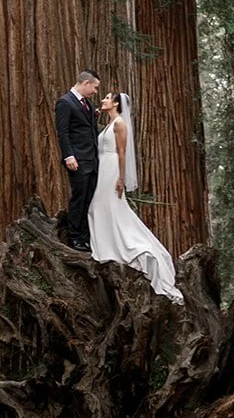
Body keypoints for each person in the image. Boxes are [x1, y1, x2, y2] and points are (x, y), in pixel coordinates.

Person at [88, 91, 183, 303]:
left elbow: (122, 152)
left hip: (111, 169)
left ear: (115, 104)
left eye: (107, 97)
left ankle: (122, 247)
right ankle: (103, 242)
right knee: (98, 208)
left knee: (105, 207)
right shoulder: (109, 124)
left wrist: (121, 178)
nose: (103, 99)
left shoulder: (120, 124)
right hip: (102, 168)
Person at [54, 71, 101, 252]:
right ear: (86, 83)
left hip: (92, 158)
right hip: (78, 159)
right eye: (95, 87)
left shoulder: (86, 104)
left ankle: (85, 235)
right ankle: (75, 237)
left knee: (89, 198)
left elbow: (87, 127)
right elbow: (63, 132)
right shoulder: (65, 102)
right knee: (79, 198)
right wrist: (68, 156)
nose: (96, 92)